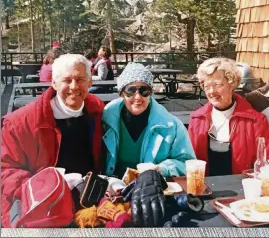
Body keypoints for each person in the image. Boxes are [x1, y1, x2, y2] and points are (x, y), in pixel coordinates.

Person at [1, 54, 105, 227]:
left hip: (88, 203)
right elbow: (6, 171)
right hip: (39, 208)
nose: (74, 86)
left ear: (90, 83)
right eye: (66, 80)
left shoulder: (98, 111)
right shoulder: (19, 122)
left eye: (80, 79)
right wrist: (51, 185)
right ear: (54, 83)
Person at [102, 62, 196, 179]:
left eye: (144, 90)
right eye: (130, 91)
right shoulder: (105, 120)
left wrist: (161, 169)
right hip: (114, 187)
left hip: (152, 188)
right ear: (121, 93)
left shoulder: (172, 126)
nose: (137, 97)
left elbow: (187, 163)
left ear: (151, 93)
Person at [188, 57, 269, 176]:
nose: (212, 91)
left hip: (243, 189)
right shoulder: (197, 119)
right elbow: (189, 161)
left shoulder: (256, 121)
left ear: (232, 84)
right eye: (207, 86)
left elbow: (267, 161)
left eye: (218, 85)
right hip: (205, 189)